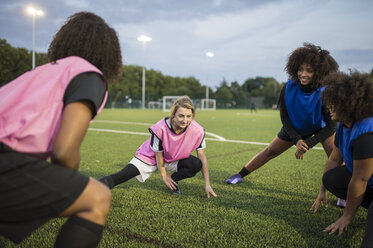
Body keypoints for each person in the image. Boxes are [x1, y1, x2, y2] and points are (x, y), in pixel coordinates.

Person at [0, 12, 122, 247]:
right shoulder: (88, 75)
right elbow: (64, 152)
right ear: (108, 54)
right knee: (97, 197)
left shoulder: (39, 72)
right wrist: (70, 180)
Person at [226, 43, 339, 188]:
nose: (303, 74)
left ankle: (343, 193)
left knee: (334, 155)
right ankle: (239, 175)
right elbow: (284, 117)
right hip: (294, 127)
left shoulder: (325, 92)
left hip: (320, 127)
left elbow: (331, 126)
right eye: (300, 69)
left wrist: (309, 143)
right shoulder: (289, 87)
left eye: (309, 71)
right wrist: (297, 140)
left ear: (319, 72)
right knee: (270, 151)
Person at [100, 96, 217, 198]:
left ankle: (173, 181)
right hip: (149, 157)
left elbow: (201, 156)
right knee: (122, 175)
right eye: (181, 116)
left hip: (173, 159)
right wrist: (163, 175)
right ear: (173, 115)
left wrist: (207, 184)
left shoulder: (198, 131)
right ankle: (94, 188)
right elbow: (158, 154)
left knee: (196, 164)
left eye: (188, 116)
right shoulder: (160, 128)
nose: (185, 120)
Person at [311, 71, 373, 247]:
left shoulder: (367, 133)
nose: (328, 105)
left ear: (350, 103)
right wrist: (322, 190)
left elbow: (360, 179)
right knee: (331, 178)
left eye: (334, 102)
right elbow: (334, 159)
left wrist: (347, 217)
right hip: (368, 182)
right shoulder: (343, 126)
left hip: (365, 180)